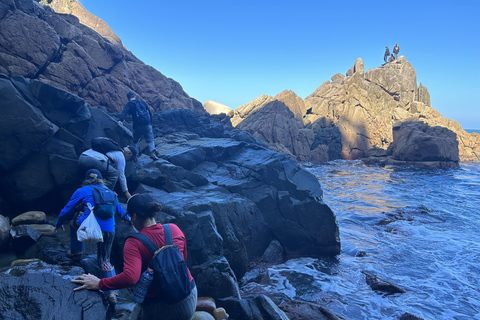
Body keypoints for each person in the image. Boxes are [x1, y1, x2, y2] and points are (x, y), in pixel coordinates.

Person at [71, 194, 197, 320]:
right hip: (189, 298)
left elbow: (131, 278)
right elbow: (182, 259)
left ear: (135, 216)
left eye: (131, 216)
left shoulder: (134, 242)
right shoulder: (174, 229)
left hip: (161, 306)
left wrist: (100, 283)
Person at [55, 169, 131, 305]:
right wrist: (131, 219)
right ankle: (112, 293)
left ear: (86, 179)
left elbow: (67, 210)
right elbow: (121, 212)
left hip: (88, 228)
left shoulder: (82, 190)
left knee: (74, 221)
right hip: (108, 230)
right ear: (101, 180)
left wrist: (58, 224)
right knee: (104, 259)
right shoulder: (110, 193)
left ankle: (77, 252)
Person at [118, 92, 160, 161]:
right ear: (134, 96)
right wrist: (150, 123)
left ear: (128, 98)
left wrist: (121, 120)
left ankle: (136, 155)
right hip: (146, 124)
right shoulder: (141, 102)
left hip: (137, 126)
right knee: (150, 139)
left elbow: (124, 112)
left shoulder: (129, 104)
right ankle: (152, 153)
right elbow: (149, 111)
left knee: (135, 141)